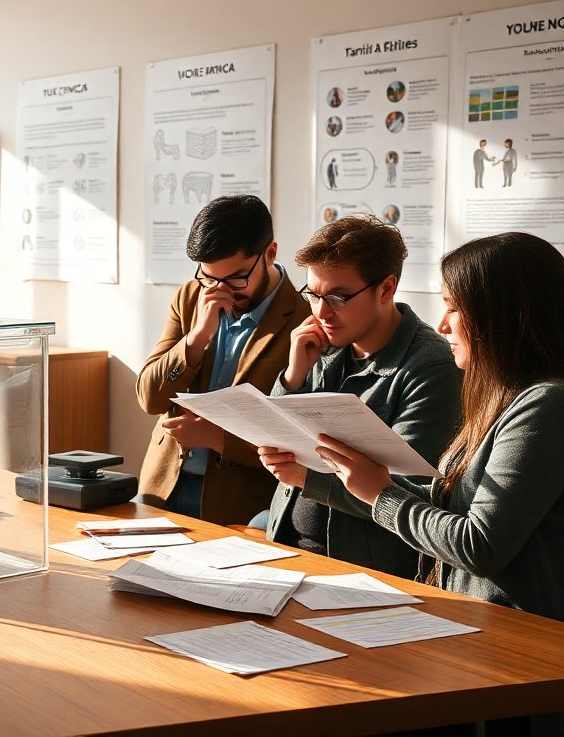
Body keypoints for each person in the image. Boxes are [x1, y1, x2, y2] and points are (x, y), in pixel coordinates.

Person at [289, 232, 564, 736]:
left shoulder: (546, 405)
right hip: (475, 631)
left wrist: (381, 494)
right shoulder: (503, 394)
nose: (442, 324)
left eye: (455, 308)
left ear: (502, 315)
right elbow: (451, 502)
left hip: (519, 654)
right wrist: (370, 482)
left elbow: (479, 544)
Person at [257, 216, 462, 578]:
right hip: (287, 546)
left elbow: (415, 496)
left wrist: (307, 477)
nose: (321, 312)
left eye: (338, 297)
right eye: (313, 295)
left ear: (386, 289)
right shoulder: (321, 344)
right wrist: (292, 377)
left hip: (363, 572)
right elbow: (276, 440)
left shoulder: (433, 368)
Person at [136, 195, 307, 524]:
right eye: (210, 277)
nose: (222, 289)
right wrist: (197, 336)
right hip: (162, 486)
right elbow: (149, 397)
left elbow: (301, 440)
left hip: (240, 505)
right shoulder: (190, 297)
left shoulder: (305, 319)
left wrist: (220, 439)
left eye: (237, 277)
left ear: (270, 253)